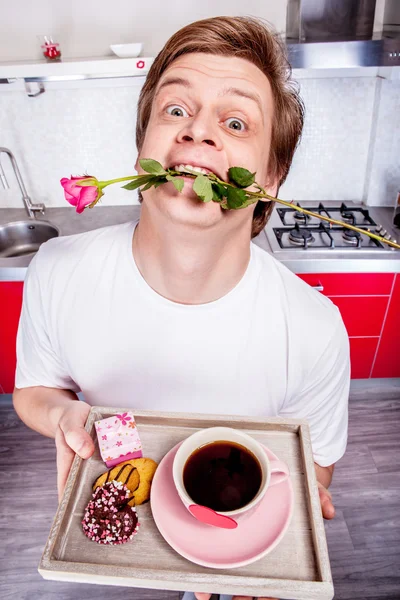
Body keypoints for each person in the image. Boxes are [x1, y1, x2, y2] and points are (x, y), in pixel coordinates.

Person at [13, 16, 350, 600]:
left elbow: (314, 466)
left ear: (271, 177)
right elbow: (36, 392)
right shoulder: (56, 271)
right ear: (142, 146)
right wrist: (62, 419)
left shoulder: (316, 330)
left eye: (236, 120)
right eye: (175, 110)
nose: (198, 131)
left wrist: (274, 540)